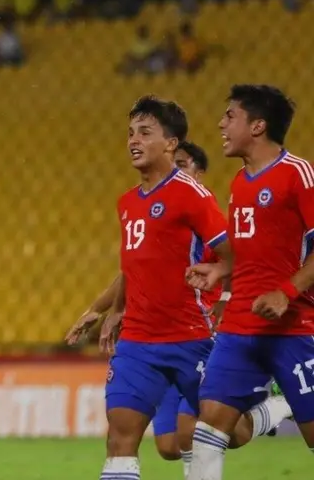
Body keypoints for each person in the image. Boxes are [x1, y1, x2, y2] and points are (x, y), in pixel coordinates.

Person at [66, 139, 290, 477]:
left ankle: (278, 406)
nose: (174, 173)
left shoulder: (208, 220)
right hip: (153, 338)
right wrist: (102, 309)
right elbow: (131, 270)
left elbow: (243, 263)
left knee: (209, 432)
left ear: (199, 173)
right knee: (170, 445)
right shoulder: (158, 217)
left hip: (200, 334)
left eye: (183, 165)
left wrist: (232, 307)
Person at [96, 97, 234, 480]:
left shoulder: (191, 193)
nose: (133, 141)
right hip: (138, 342)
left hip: (191, 336)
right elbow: (132, 266)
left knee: (229, 432)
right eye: (130, 133)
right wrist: (116, 309)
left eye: (145, 132)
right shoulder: (127, 203)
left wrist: (223, 295)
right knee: (121, 437)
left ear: (171, 143)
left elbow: (233, 255)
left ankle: (270, 406)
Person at [187, 85, 314, 480]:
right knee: (209, 424)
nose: (221, 124)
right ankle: (275, 408)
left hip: (294, 325)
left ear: (257, 126)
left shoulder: (298, 174)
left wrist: (287, 290)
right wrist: (222, 271)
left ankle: (282, 405)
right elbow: (251, 250)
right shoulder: (240, 183)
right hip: (242, 323)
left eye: (230, 116)